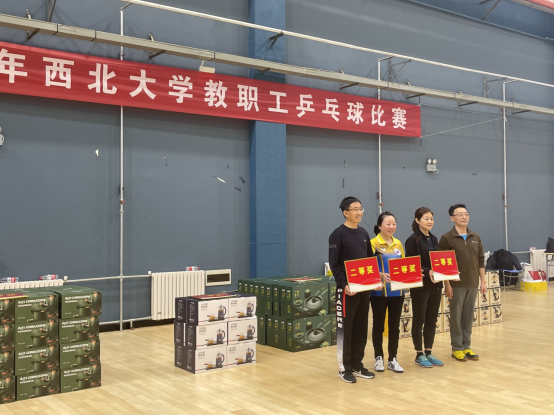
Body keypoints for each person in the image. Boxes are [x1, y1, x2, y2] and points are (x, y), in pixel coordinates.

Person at [329, 197, 382, 384]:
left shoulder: (363, 233)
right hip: (347, 291)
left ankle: (357, 365)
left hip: (364, 289)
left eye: (361, 208)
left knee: (361, 327)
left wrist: (375, 279)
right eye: (355, 209)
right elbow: (334, 265)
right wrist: (344, 285)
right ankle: (344, 368)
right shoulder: (337, 234)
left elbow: (369, 260)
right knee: (346, 329)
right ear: (346, 212)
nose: (359, 212)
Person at [439, 204, 487, 362]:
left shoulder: (476, 237)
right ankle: (457, 348)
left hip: (473, 283)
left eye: (466, 214)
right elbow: (443, 264)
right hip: (456, 285)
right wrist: (447, 284)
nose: (463, 217)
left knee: (467, 316)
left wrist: (483, 282)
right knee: (456, 316)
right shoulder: (446, 238)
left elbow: (481, 260)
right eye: (459, 214)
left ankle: (467, 345)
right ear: (452, 218)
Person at [405, 207, 444, 369]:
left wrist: (448, 273)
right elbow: (411, 264)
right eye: (426, 218)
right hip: (420, 287)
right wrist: (428, 271)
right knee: (419, 320)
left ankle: (429, 352)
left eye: (431, 218)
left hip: (436, 286)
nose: (430, 221)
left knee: (431, 320)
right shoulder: (413, 239)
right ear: (417, 220)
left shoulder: (434, 239)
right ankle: (419, 354)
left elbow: (439, 260)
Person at [370, 212, 405, 374]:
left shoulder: (398, 243)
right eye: (388, 224)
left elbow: (404, 265)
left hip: (397, 292)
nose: (391, 227)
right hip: (379, 292)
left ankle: (393, 359)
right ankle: (378, 358)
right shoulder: (373, 243)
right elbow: (368, 266)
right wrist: (379, 275)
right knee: (378, 325)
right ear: (379, 226)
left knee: (394, 326)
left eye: (394, 224)